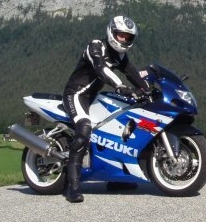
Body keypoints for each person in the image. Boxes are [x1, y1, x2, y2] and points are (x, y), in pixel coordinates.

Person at [62, 15, 150, 203]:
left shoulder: (120, 56)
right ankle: (73, 186)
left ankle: (117, 178)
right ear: (111, 32)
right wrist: (120, 86)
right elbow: (101, 68)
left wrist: (149, 91)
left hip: (93, 98)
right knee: (84, 128)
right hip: (75, 94)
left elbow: (133, 74)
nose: (124, 40)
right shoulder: (96, 46)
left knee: (117, 127)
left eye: (128, 37)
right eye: (120, 35)